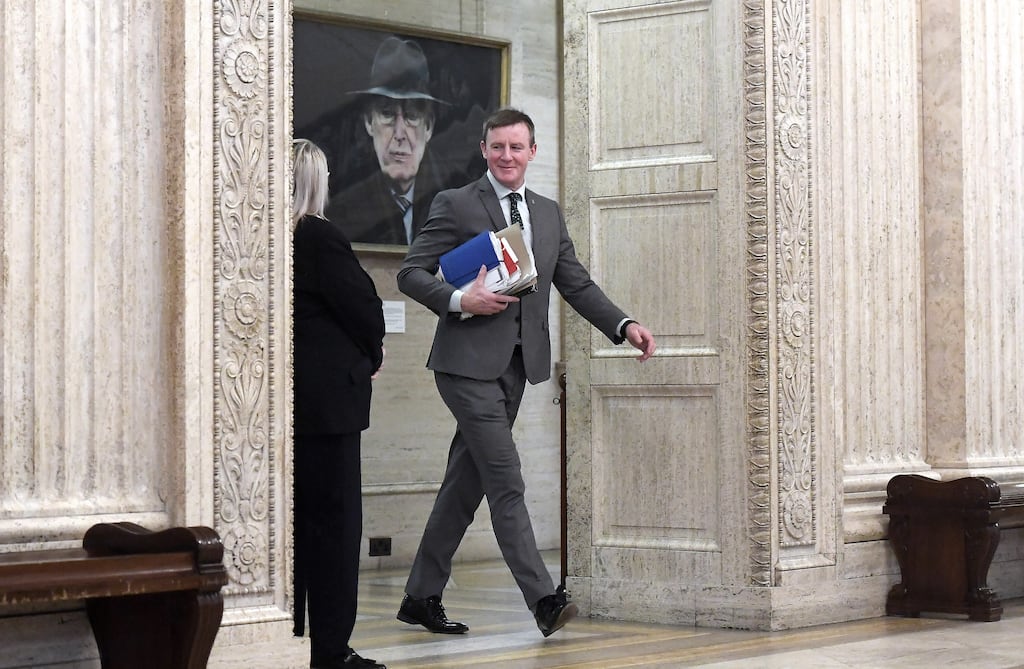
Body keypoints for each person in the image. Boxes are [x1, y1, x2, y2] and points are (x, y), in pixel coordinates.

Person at [395, 108, 657, 638]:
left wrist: (623, 324)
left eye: (516, 147)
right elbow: (410, 272)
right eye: (497, 147)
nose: (507, 156)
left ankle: (420, 596)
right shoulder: (456, 203)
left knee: (465, 484)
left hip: (517, 369)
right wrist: (460, 300)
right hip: (464, 368)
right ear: (483, 149)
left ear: (532, 152)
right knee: (506, 479)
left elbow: (576, 283)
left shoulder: (548, 213)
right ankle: (543, 599)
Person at [291, 138, 387, 669]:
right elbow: (364, 306)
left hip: (289, 405)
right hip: (327, 409)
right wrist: (373, 351)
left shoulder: (267, 237)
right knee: (335, 529)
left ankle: (289, 639)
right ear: (314, 182)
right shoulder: (317, 234)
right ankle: (330, 651)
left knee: (293, 531)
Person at [328, 36, 447, 246]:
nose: (399, 134)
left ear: (428, 127)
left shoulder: (450, 203)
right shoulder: (342, 209)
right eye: (387, 114)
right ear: (369, 122)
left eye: (411, 116)